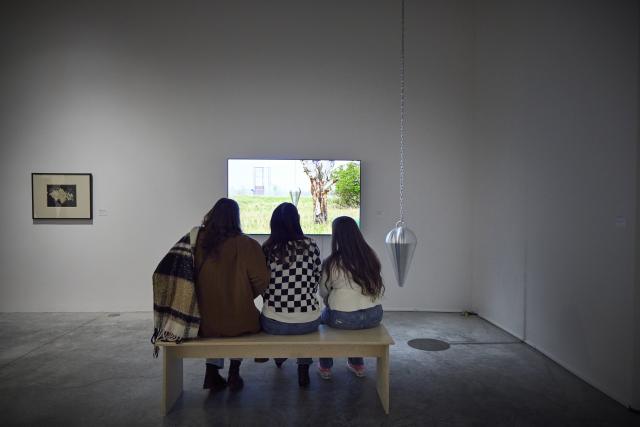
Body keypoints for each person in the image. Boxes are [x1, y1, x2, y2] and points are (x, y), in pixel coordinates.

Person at [194, 198, 270, 392]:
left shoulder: (197, 242)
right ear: (236, 218)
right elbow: (262, 281)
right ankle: (234, 373)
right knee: (241, 322)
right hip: (240, 319)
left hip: (203, 321)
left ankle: (211, 372)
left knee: (215, 324)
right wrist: (243, 294)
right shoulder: (248, 244)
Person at [260, 203, 322, 387]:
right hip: (309, 321)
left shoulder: (267, 248)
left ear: (274, 223)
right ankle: (303, 369)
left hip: (274, 323)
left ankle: (279, 358)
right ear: (297, 221)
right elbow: (317, 277)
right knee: (303, 321)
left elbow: (262, 284)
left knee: (272, 314)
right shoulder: (311, 245)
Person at [317, 216, 385, 379]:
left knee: (322, 323)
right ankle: (357, 364)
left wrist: (331, 300)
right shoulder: (369, 256)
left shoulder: (332, 262)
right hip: (374, 316)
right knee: (353, 321)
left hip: (343, 318)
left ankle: (325, 367)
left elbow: (323, 292)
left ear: (336, 236)